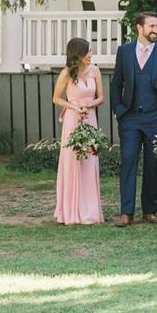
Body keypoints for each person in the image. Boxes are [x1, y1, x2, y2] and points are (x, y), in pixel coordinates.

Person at [110, 12, 157, 227]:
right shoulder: (124, 52)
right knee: (129, 161)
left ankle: (150, 210)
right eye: (152, 26)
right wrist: (119, 109)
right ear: (139, 28)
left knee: (153, 165)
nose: (156, 30)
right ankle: (126, 212)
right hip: (130, 117)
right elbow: (116, 83)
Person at [53, 38, 105, 225]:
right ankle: (70, 209)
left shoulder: (95, 71)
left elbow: (101, 98)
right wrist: (74, 107)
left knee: (90, 159)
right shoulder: (66, 73)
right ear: (78, 54)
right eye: (87, 52)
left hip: (89, 118)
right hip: (72, 119)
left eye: (91, 51)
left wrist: (89, 104)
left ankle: (89, 210)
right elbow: (56, 98)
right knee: (73, 160)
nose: (90, 55)